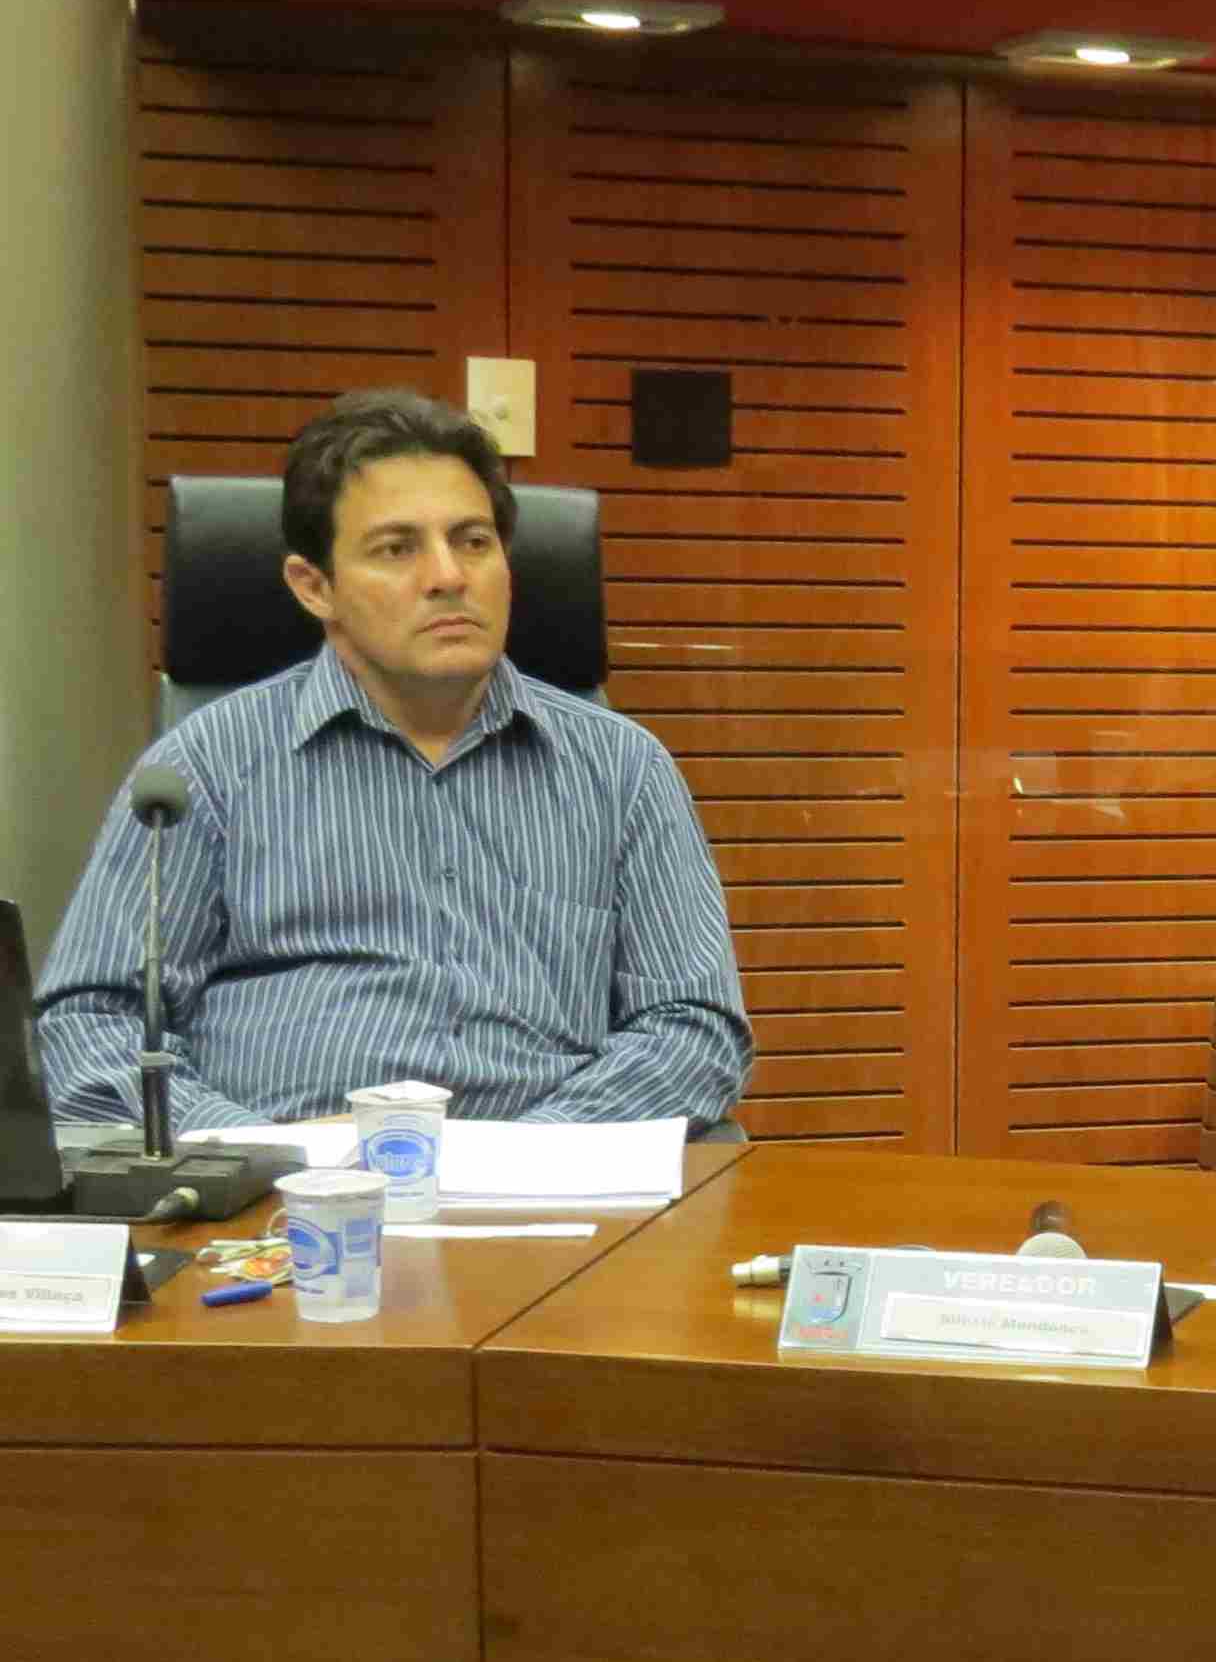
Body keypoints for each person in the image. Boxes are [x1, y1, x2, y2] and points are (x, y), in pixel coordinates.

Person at [36, 388, 750, 1133]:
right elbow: (89, 1026)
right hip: (282, 1184)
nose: (448, 576)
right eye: (397, 548)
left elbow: (693, 1027)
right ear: (315, 587)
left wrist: (526, 1154)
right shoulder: (205, 767)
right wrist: (258, 1152)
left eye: (473, 541)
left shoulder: (622, 770)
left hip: (545, 1179)